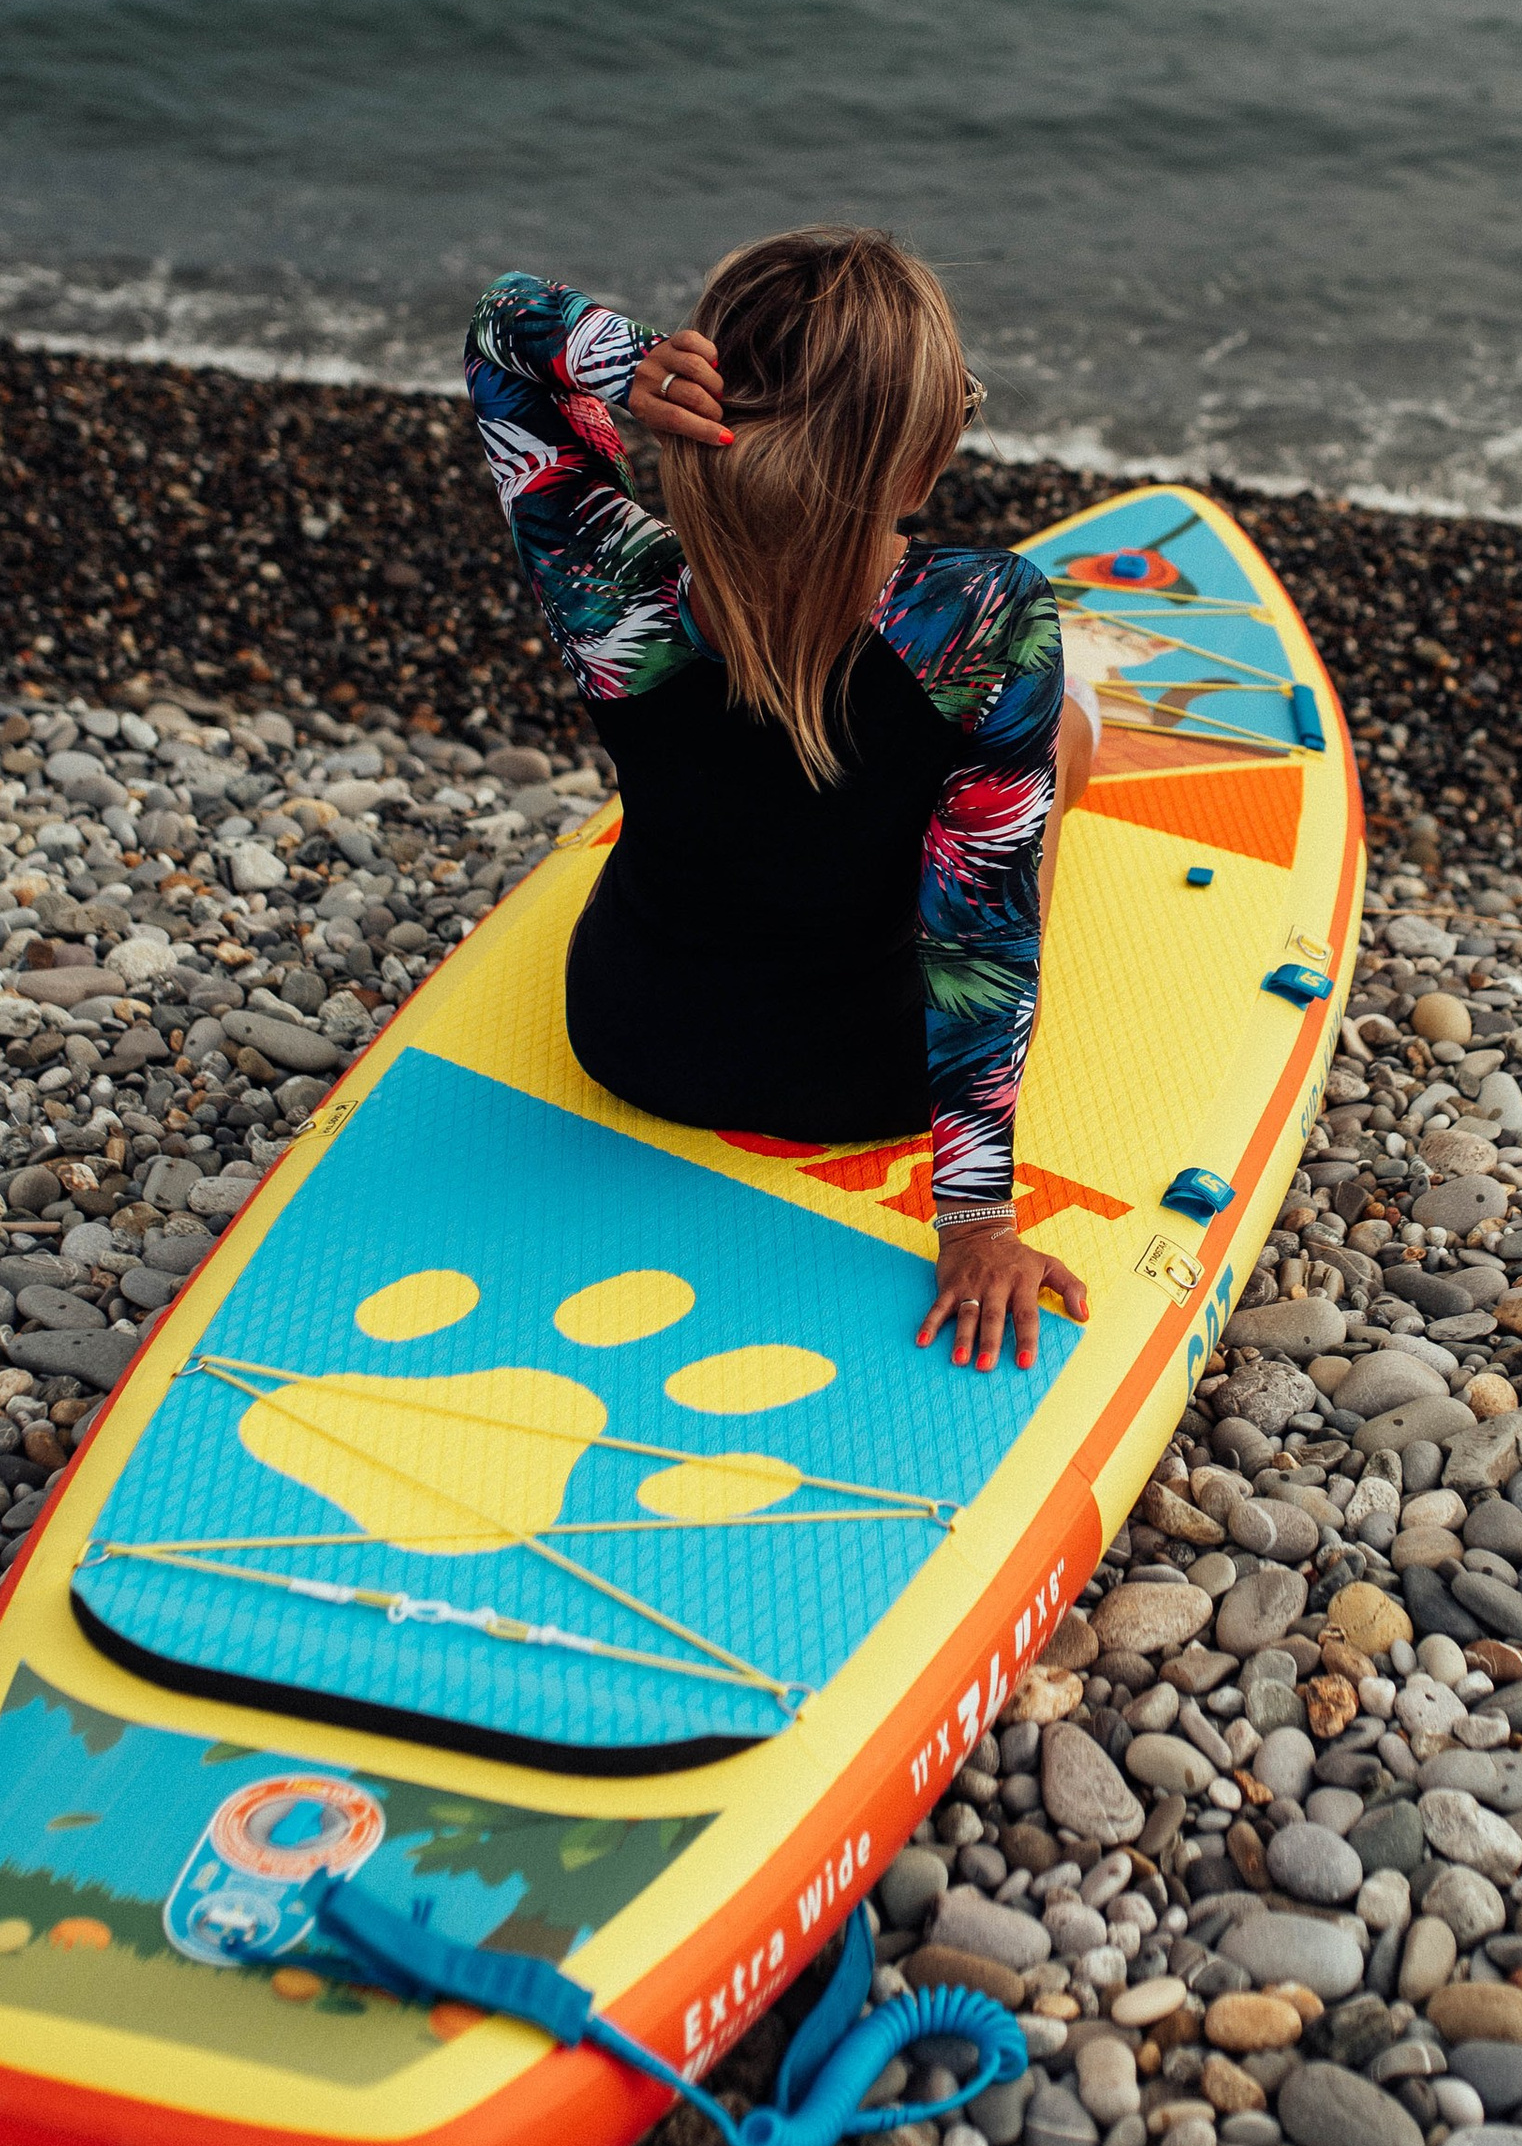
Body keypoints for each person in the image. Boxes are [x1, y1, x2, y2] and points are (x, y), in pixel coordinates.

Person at [467, 230, 1096, 1370]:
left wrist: (623, 364)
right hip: (873, 1079)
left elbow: (504, 331)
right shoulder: (982, 619)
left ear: (696, 408)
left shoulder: (610, 588)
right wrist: (973, 1223)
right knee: (1060, 744)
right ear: (916, 469)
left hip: (631, 1036)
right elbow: (981, 940)